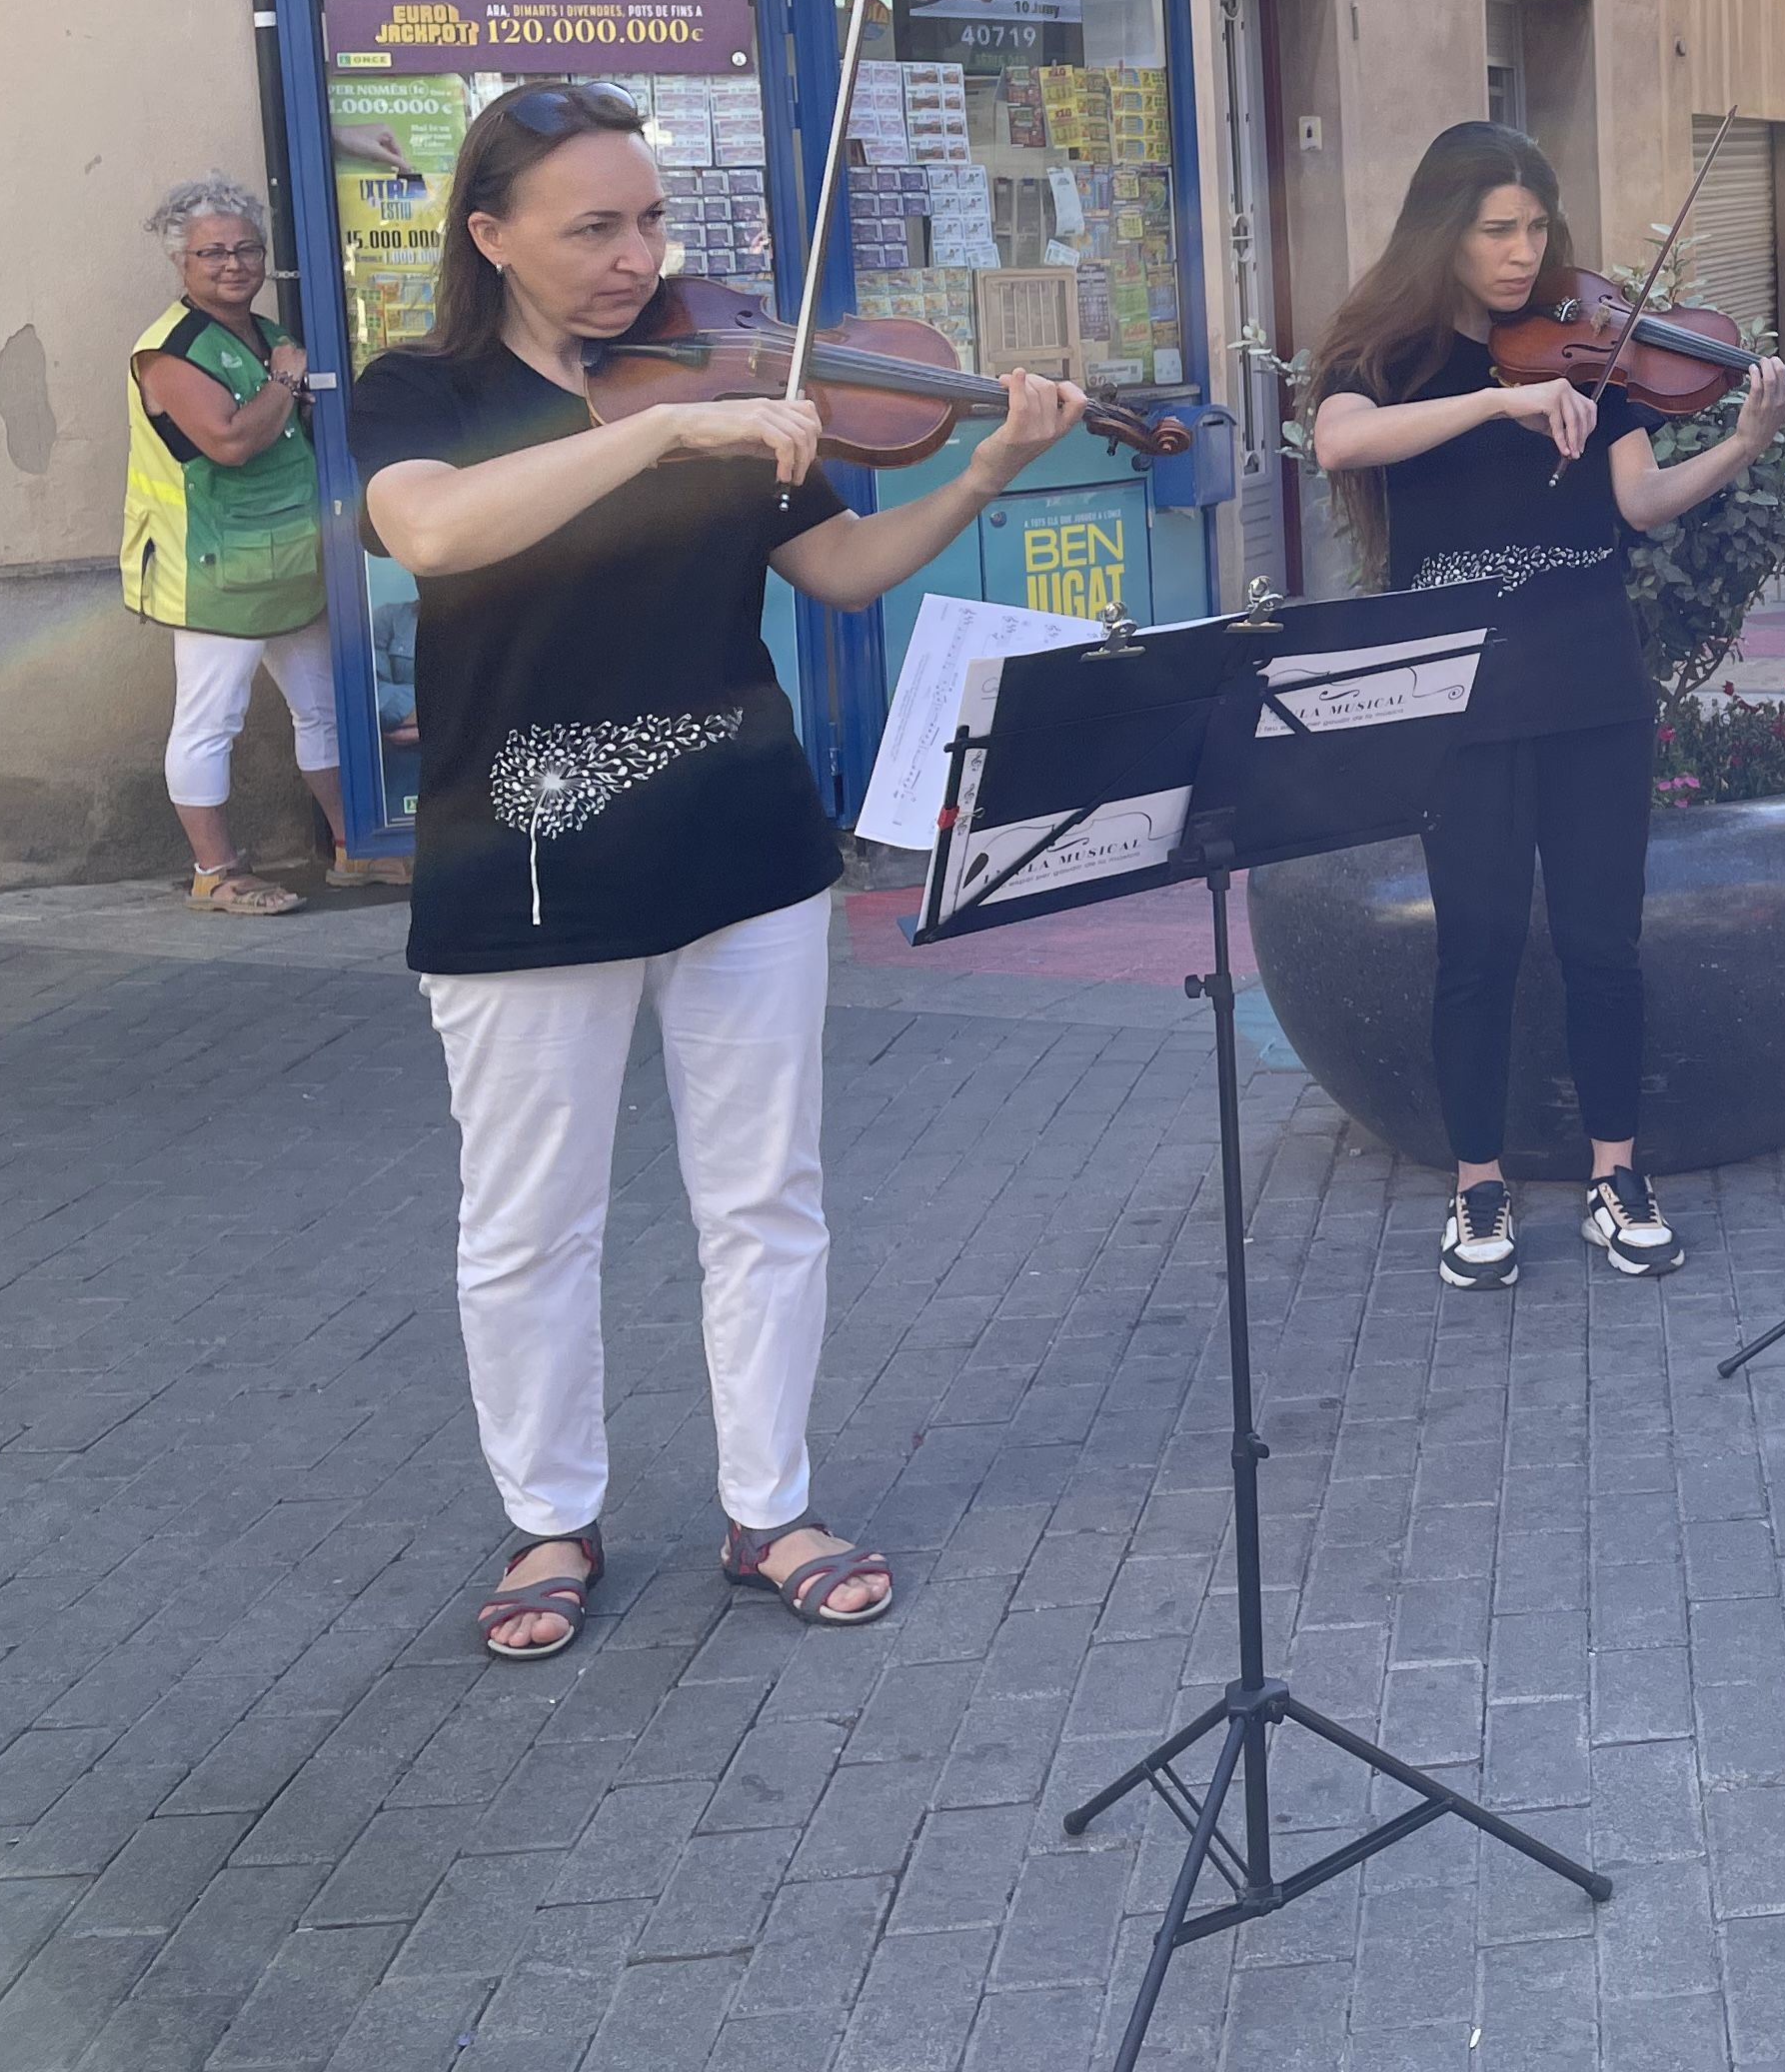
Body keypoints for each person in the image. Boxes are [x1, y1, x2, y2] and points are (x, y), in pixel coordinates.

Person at [351, 80, 1091, 1660]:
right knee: (530, 1220)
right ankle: (551, 1518)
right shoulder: (421, 393)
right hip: (528, 854)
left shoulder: (729, 375)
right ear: (491, 236)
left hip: (742, 842)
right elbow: (433, 536)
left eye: (650, 221)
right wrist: (666, 432)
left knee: (765, 1196)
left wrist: (983, 474)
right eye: (594, 227)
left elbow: (837, 570)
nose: (638, 257)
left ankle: (772, 1506)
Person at [1310, 123, 1785, 1289]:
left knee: (1603, 943)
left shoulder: (1596, 348)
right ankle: (1476, 1190)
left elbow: (1638, 503)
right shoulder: (1398, 355)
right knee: (1474, 948)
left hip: (1589, 681)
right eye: (1496, 230)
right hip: (1458, 693)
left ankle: (1615, 1175)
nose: (1521, 252)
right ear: (1446, 231)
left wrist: (1741, 442)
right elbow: (1340, 443)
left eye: (1534, 227)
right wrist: (1499, 403)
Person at [124, 175, 402, 912]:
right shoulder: (170, 349)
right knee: (211, 720)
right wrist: (285, 383)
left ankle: (355, 848)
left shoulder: (268, 333)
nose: (233, 264)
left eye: (247, 249)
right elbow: (231, 442)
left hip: (292, 559)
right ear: (181, 262)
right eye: (212, 253)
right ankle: (215, 873)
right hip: (213, 568)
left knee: (325, 707)